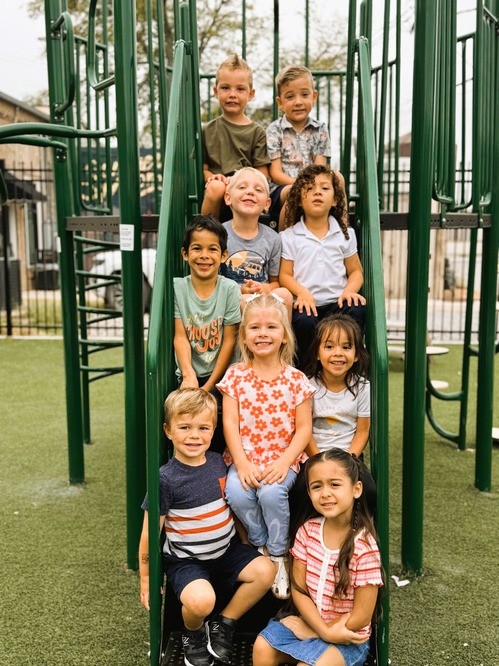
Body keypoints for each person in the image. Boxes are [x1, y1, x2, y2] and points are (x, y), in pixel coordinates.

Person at [139, 388, 275, 666]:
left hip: (226, 551)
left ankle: (224, 623)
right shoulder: (165, 478)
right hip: (186, 561)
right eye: (184, 427)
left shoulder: (217, 463)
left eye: (203, 428)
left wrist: (244, 540)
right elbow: (149, 532)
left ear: (213, 430)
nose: (194, 435)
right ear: (168, 431)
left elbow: (230, 506)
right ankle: (194, 633)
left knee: (266, 570)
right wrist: (145, 579)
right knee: (201, 602)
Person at [217, 293, 314, 600]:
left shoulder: (296, 380)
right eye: (255, 328)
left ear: (284, 336)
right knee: (236, 492)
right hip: (246, 458)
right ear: (244, 337)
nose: (263, 334)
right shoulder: (235, 376)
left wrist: (285, 461)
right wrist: (242, 464)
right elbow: (230, 423)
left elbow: (304, 429)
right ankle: (260, 541)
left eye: (271, 327)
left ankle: (278, 554)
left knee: (272, 492)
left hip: (280, 459)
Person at [253, 448, 383, 666]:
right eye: (317, 486)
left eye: (334, 484)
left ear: (356, 489)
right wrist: (320, 629)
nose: (325, 493)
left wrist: (326, 634)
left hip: (347, 635)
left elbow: (361, 615)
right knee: (262, 647)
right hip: (311, 622)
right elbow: (299, 589)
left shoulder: (364, 547)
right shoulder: (307, 531)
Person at [278, 164, 366, 370]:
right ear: (300, 198)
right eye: (309, 188)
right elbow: (285, 275)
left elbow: (355, 271)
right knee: (304, 322)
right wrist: (303, 293)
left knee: (357, 310)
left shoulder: (345, 234)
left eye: (325, 188)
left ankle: (352, 369)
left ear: (335, 199)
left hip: (337, 302)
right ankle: (308, 373)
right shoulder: (289, 236)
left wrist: (349, 291)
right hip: (308, 304)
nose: (317, 192)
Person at [292, 313, 377, 517]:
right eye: (329, 347)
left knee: (369, 491)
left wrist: (347, 461)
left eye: (346, 347)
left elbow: (362, 431)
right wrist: (320, 461)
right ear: (317, 353)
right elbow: (306, 430)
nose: (338, 353)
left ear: (356, 354)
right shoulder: (307, 385)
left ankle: (358, 532)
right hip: (314, 454)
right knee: (299, 492)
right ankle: (303, 537)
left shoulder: (363, 387)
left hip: (348, 455)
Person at [173, 215, 241, 453]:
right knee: (183, 416)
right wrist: (189, 376)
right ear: (185, 253)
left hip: (221, 377)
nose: (204, 255)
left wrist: (210, 386)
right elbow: (180, 336)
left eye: (212, 249)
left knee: (220, 420)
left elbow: (230, 339)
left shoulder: (230, 289)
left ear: (223, 256)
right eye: (196, 249)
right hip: (190, 375)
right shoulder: (178, 288)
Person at [201, 54, 271, 222]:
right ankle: (206, 234)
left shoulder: (257, 131)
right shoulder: (207, 130)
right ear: (215, 92)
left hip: (245, 188)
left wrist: (241, 179)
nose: (232, 94)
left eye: (240, 89)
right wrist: (212, 176)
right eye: (225, 88)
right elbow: (203, 169)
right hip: (219, 188)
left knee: (249, 191)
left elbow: (263, 174)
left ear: (251, 94)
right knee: (216, 187)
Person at [221, 166, 292, 317]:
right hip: (231, 302)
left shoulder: (273, 239)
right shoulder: (219, 235)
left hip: (263, 301)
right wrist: (240, 290)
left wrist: (266, 288)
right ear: (228, 198)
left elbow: (276, 282)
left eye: (258, 190)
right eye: (242, 187)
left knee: (285, 294)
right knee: (246, 299)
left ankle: (284, 339)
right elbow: (214, 281)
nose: (250, 192)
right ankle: (240, 341)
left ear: (267, 204)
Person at [266, 65, 331, 228]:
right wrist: (300, 184)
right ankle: (284, 241)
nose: (298, 102)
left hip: (313, 183)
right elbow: (275, 173)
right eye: (290, 97)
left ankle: (342, 230)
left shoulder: (320, 129)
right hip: (283, 188)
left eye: (304, 94)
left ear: (314, 97)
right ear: (280, 103)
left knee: (338, 179)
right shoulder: (274, 130)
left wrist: (312, 185)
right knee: (292, 193)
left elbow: (320, 167)